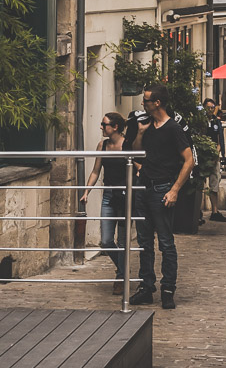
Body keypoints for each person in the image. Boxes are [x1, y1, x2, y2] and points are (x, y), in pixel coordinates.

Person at [130, 84, 194, 308]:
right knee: (144, 242)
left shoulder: (173, 129)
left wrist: (174, 189)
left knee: (166, 243)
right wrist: (140, 133)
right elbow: (138, 152)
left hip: (162, 189)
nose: (143, 104)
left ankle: (168, 289)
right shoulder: (149, 127)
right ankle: (146, 287)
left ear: (157, 103)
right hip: (144, 188)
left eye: (145, 100)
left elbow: (189, 160)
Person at [81, 111, 129, 293]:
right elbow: (95, 171)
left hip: (125, 195)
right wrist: (87, 192)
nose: (101, 127)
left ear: (115, 127)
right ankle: (124, 270)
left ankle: (120, 277)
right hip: (108, 195)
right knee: (106, 240)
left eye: (104, 124)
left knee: (123, 241)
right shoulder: (102, 145)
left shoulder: (128, 145)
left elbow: (139, 168)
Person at [202, 97, 226, 223]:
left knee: (215, 183)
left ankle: (215, 211)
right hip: (202, 156)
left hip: (214, 156)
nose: (211, 110)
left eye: (213, 108)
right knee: (200, 183)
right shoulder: (201, 121)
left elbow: (219, 140)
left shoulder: (216, 122)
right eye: (209, 107)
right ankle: (198, 212)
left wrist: (217, 153)